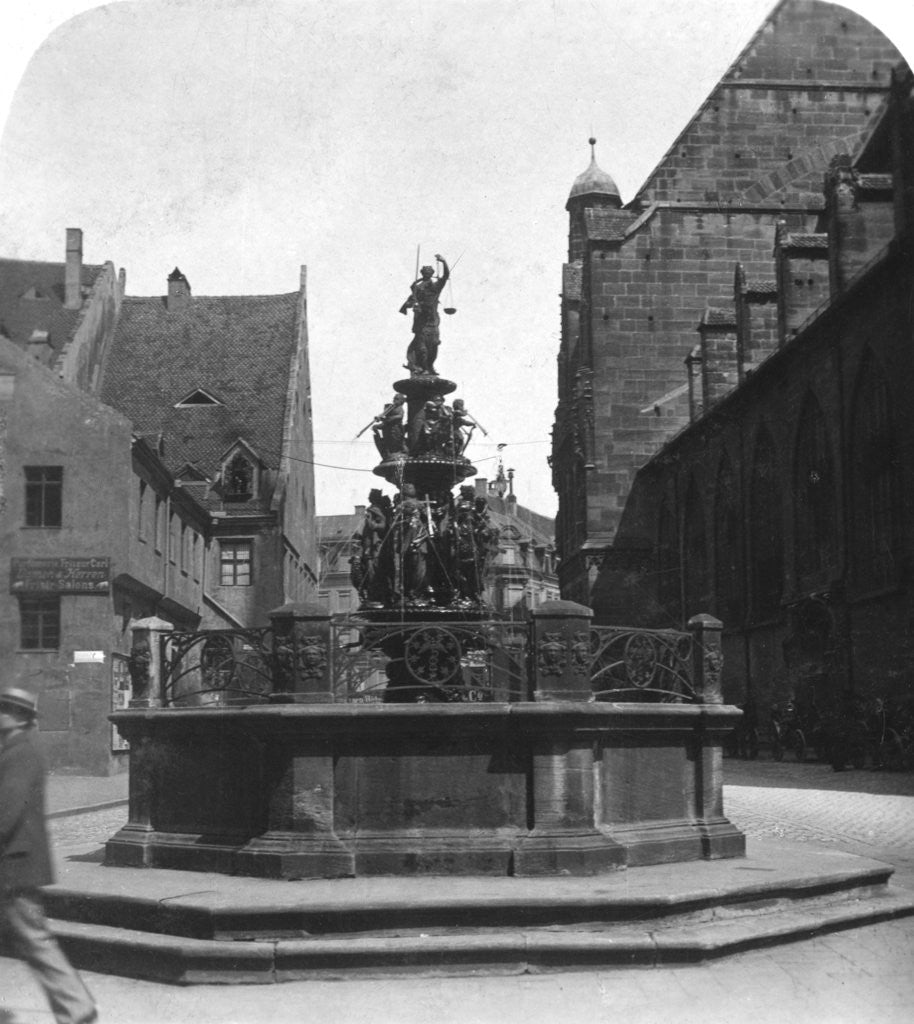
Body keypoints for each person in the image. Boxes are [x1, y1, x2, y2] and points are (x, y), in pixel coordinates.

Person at [0, 687, 98, 1024]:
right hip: (16, 862)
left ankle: (76, 1008)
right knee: (33, 937)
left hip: (14, 865)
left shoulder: (19, 752)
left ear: (15, 717)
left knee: (35, 938)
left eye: (2, 710)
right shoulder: (17, 748)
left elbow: (6, 812)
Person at [399, 254, 449, 376]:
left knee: (434, 345)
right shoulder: (417, 288)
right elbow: (409, 301)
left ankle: (430, 366)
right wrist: (410, 305)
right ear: (422, 273)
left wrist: (444, 262)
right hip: (421, 321)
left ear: (432, 273)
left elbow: (446, 276)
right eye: (425, 272)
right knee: (422, 348)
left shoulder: (435, 286)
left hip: (432, 320)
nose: (427, 274)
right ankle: (423, 367)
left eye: (429, 272)